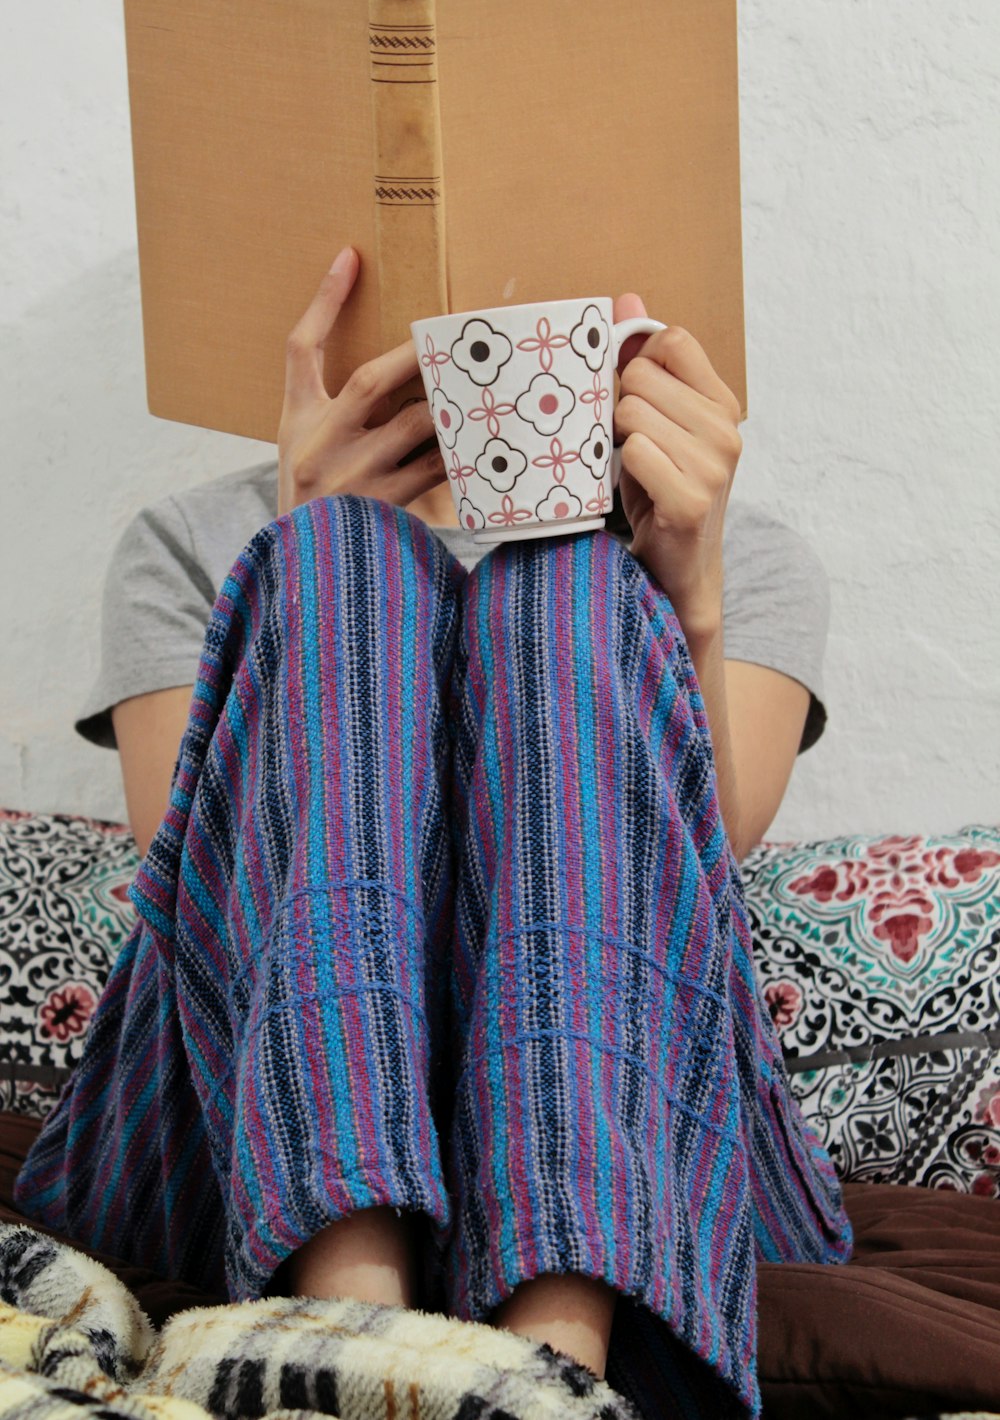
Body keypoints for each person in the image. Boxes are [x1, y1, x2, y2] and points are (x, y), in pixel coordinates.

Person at [15, 246, 851, 1419]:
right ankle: (361, 1336)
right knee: (339, 563)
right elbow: (197, 888)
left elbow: (704, 871)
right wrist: (312, 573)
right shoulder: (192, 540)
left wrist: (683, 600)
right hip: (239, 1137)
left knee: (564, 580)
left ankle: (553, 1360)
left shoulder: (722, 536)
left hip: (651, 1155)